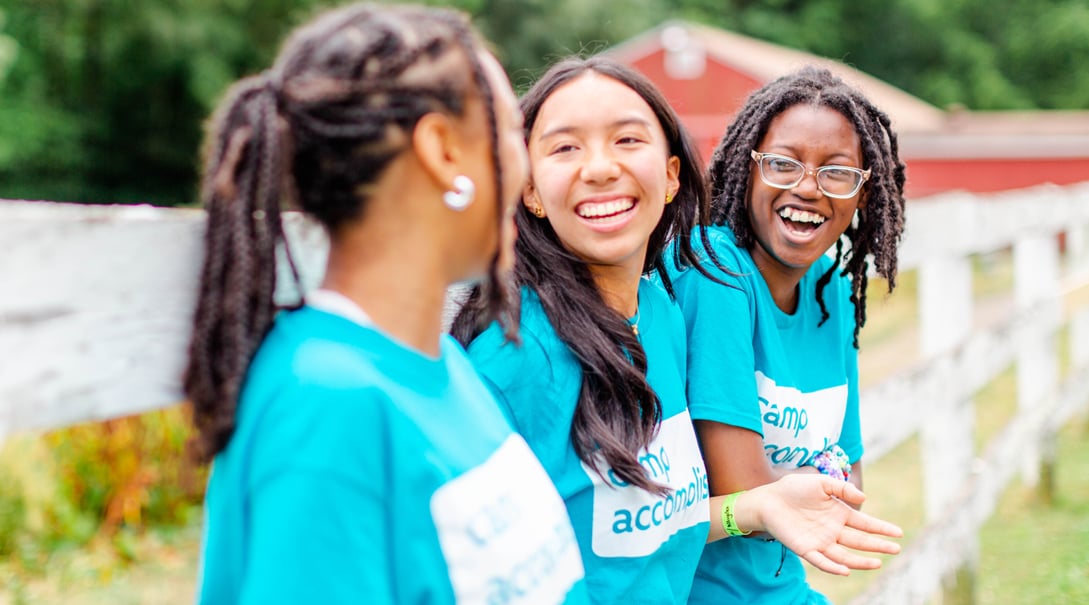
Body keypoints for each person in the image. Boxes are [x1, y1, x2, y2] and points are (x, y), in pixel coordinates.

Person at [453, 57, 902, 605]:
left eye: (627, 140)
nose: (599, 168)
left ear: (670, 177)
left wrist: (762, 506)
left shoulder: (655, 313)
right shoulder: (518, 357)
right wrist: (767, 499)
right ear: (529, 189)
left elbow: (672, 518)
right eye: (565, 147)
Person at [183, 5, 589, 603]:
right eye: (509, 129)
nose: (525, 162)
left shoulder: (444, 365)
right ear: (443, 152)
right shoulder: (325, 409)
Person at [666, 66, 908, 604]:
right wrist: (793, 491)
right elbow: (748, 498)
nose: (806, 188)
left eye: (837, 172)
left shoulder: (832, 295)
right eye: (782, 164)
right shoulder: (714, 273)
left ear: (864, 194)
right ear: (747, 169)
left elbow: (847, 493)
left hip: (780, 590)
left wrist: (795, 492)